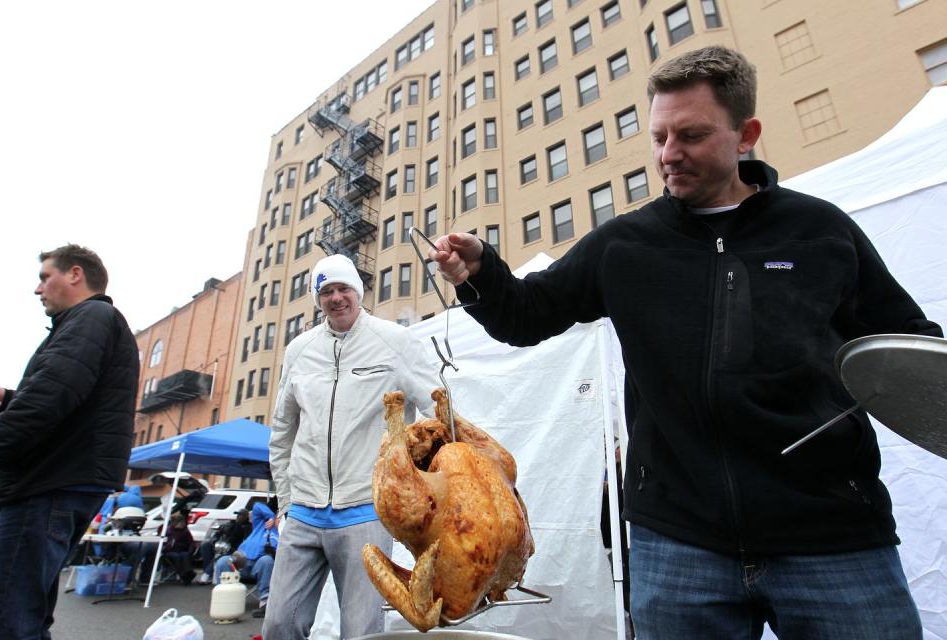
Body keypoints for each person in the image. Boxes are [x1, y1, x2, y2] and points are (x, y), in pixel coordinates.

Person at [429, 46, 942, 640]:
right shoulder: (625, 245)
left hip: (834, 536)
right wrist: (484, 273)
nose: (668, 156)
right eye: (659, 137)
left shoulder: (821, 231)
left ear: (745, 134)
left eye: (691, 136)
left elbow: (907, 349)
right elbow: (527, 316)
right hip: (678, 543)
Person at [263, 253, 437, 639]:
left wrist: (431, 480)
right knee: (279, 623)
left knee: (361, 632)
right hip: (304, 511)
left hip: (365, 510)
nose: (336, 297)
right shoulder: (300, 350)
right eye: (326, 291)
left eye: (343, 288)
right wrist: (286, 500)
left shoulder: (395, 341)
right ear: (317, 298)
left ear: (358, 292)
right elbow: (282, 430)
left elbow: (440, 406)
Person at [0, 244, 139, 638]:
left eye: (44, 276)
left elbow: (50, 399)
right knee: (26, 614)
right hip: (61, 478)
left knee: (7, 618)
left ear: (74, 274)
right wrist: (9, 401)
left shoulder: (91, 316)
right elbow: (67, 399)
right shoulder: (92, 322)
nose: (38, 289)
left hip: (49, 482)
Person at [212, 502, 278, 617]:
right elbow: (257, 505)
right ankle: (223, 600)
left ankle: (265, 604)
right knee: (223, 560)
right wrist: (271, 517)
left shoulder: (284, 532)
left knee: (267, 561)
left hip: (261, 566)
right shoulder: (262, 525)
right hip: (241, 561)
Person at [197, 507, 252, 584]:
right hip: (222, 544)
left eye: (240, 515)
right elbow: (217, 534)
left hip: (235, 548)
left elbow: (244, 541)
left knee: (221, 555)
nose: (238, 517)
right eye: (237, 515)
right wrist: (214, 541)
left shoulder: (248, 527)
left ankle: (206, 574)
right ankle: (208, 572)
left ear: (246, 517)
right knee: (206, 546)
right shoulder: (230, 524)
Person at [141, 511, 195, 585]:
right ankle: (184, 574)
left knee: (185, 555)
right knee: (177, 557)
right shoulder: (167, 531)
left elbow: (191, 542)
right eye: (180, 523)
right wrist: (166, 547)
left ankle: (188, 572)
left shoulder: (185, 531)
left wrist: (190, 551)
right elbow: (163, 542)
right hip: (170, 551)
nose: (182, 524)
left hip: (182, 550)